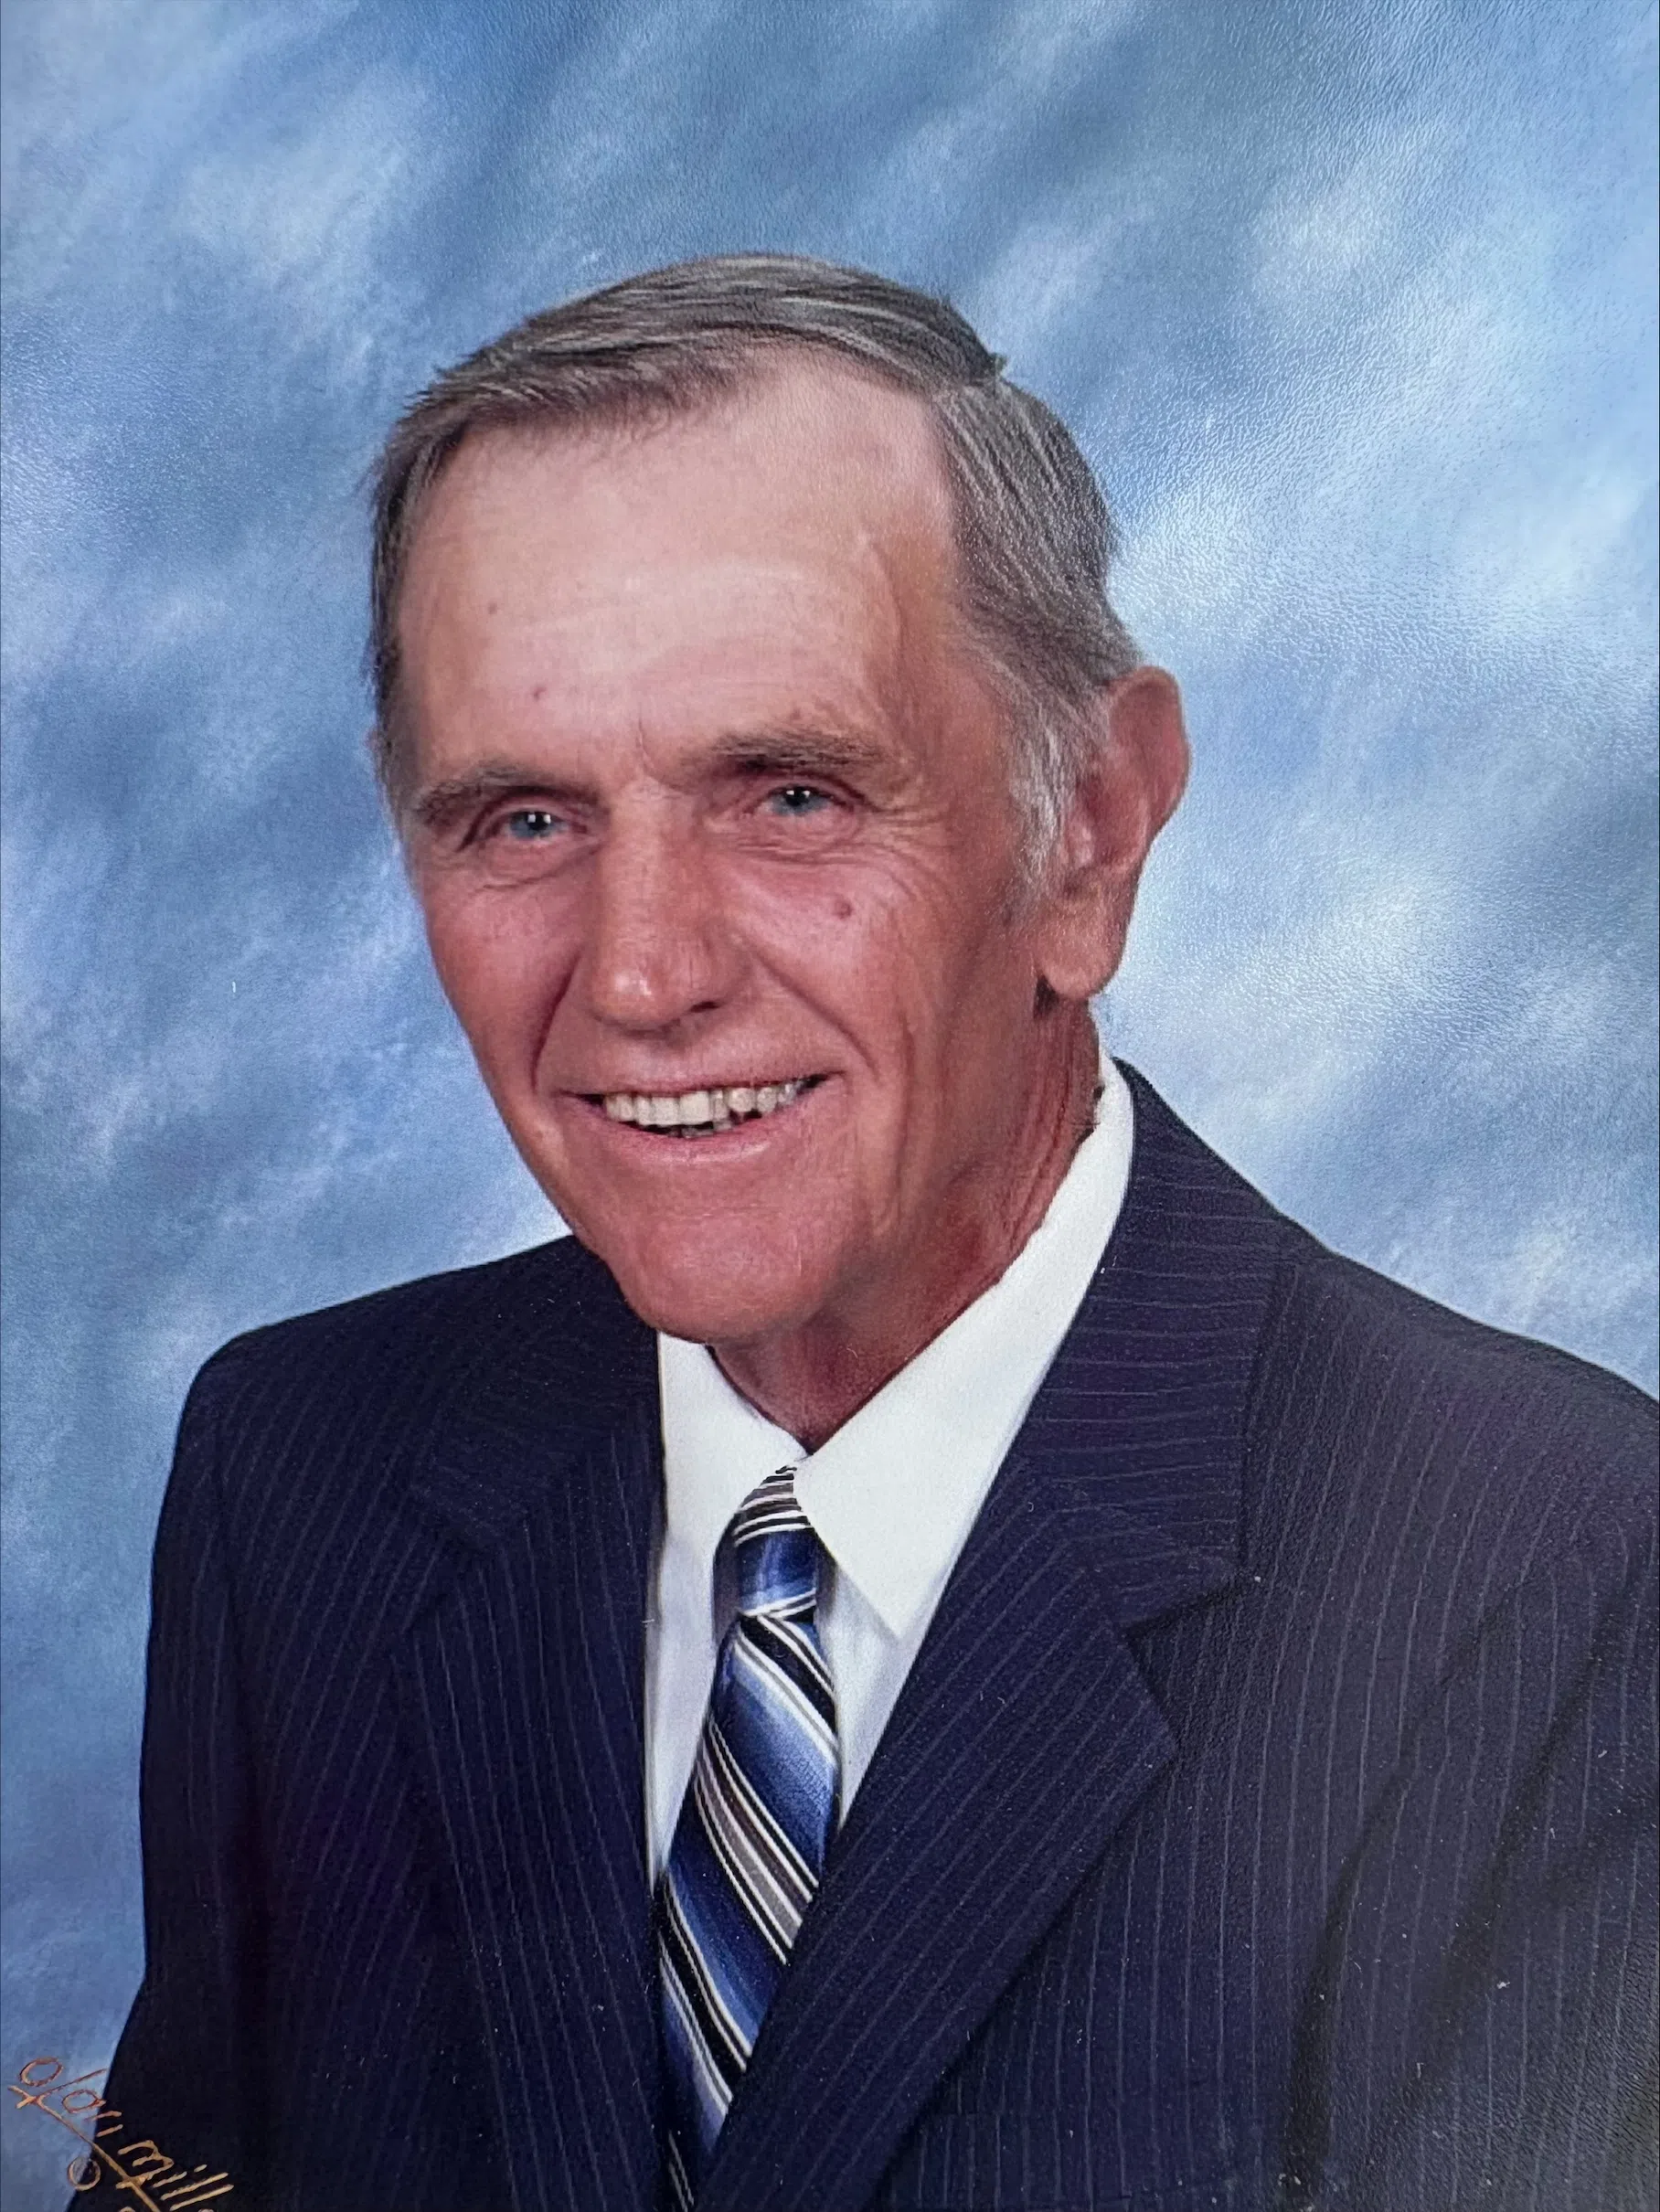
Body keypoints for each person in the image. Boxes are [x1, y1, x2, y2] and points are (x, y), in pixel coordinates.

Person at [94, 256, 1655, 2212]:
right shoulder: (302, 1466)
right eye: (523, 821)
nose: (641, 975)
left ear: (1088, 832)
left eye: (791, 795)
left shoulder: (1567, 1580)